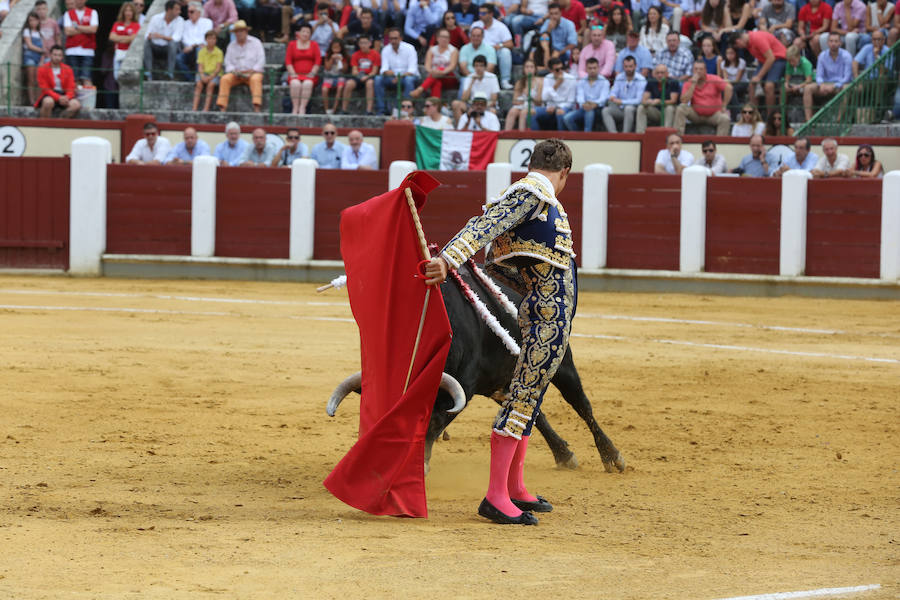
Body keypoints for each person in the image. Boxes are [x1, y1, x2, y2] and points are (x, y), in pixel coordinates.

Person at [423, 139, 576, 527]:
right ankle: (495, 497)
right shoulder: (533, 193)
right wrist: (448, 260)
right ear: (564, 173)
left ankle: (515, 487)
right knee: (521, 398)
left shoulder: (531, 201)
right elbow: (484, 226)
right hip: (546, 316)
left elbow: (500, 266)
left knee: (526, 394)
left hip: (542, 314)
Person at [733, 29, 786, 116]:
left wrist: (759, 76)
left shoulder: (757, 39)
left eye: (738, 46)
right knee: (751, 85)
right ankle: (753, 115)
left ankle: (770, 117)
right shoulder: (748, 43)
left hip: (778, 59)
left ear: (738, 41)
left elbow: (771, 58)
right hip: (765, 61)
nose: (740, 48)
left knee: (769, 86)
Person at [215, 20, 265, 112]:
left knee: (256, 79)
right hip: (236, 74)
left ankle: (257, 107)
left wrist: (252, 71)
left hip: (253, 73)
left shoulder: (256, 42)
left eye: (241, 31)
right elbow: (228, 62)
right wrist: (234, 71)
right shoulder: (231, 45)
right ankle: (222, 107)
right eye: (237, 31)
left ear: (246, 31)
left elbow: (261, 60)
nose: (239, 33)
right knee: (224, 79)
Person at [674, 59, 732, 136]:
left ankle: (719, 144)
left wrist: (724, 105)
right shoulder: (689, 82)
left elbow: (729, 88)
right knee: (681, 108)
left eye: (701, 69)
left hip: (714, 115)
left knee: (725, 119)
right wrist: (693, 84)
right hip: (696, 115)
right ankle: (678, 137)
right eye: (696, 69)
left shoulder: (713, 78)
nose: (698, 71)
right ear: (692, 70)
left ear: (705, 70)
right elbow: (684, 101)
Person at [803, 32, 852, 121]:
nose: (833, 44)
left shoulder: (847, 56)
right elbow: (819, 75)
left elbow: (847, 77)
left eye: (836, 41)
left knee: (846, 89)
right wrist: (821, 84)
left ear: (840, 43)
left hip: (840, 85)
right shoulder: (822, 55)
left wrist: (834, 86)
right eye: (831, 41)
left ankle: (839, 120)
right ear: (827, 43)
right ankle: (808, 120)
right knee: (808, 88)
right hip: (825, 84)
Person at [375, 28, 420, 115]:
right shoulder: (386, 50)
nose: (393, 41)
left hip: (408, 77)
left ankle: (405, 111)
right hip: (393, 78)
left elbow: (412, 70)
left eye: (395, 38)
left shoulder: (410, 48)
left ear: (400, 38)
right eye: (391, 38)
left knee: (409, 80)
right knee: (378, 79)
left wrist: (399, 76)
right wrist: (394, 75)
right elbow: (383, 70)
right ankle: (381, 110)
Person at [410, 27, 459, 99]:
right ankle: (435, 105)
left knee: (440, 69)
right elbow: (427, 66)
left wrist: (441, 71)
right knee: (437, 83)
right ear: (437, 38)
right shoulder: (431, 50)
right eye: (442, 37)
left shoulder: (453, 50)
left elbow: (452, 66)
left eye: (447, 37)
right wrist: (433, 72)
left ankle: (420, 89)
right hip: (434, 76)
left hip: (449, 77)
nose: (445, 39)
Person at [563, 56, 610, 131]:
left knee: (589, 112)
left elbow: (603, 99)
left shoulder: (604, 81)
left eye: (594, 68)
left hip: (599, 109)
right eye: (590, 68)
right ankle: (578, 137)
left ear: (598, 68)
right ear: (586, 69)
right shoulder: (582, 81)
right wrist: (584, 104)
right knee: (567, 118)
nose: (592, 70)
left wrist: (594, 104)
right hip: (584, 107)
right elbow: (579, 97)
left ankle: (587, 135)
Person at [602, 55, 646, 132]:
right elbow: (614, 92)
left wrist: (622, 102)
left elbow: (639, 100)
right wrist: (612, 96)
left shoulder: (641, 79)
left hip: (634, 110)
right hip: (620, 108)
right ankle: (613, 135)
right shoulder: (619, 77)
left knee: (628, 109)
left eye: (630, 66)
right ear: (623, 66)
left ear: (635, 66)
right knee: (606, 110)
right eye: (626, 66)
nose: (628, 69)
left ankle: (625, 135)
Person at [36, 45, 81, 118]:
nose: (57, 57)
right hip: (49, 94)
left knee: (76, 105)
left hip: (64, 94)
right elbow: (45, 88)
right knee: (48, 102)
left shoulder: (68, 69)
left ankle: (61, 121)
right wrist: (58, 97)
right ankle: (45, 124)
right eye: (55, 55)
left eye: (59, 55)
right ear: (50, 55)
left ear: (62, 56)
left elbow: (71, 87)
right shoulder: (42, 69)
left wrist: (67, 97)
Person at [144, 0, 184, 81]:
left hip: (168, 48)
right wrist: (152, 36)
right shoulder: (155, 18)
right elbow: (147, 35)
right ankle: (149, 72)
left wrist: (160, 36)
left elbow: (176, 38)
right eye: (177, 9)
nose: (179, 12)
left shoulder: (180, 20)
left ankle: (170, 72)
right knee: (146, 43)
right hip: (156, 46)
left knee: (173, 44)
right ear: (169, 9)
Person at [532, 57, 576, 130]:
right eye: (557, 70)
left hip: (565, 107)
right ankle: (535, 138)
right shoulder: (547, 78)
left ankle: (561, 138)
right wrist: (555, 86)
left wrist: (556, 107)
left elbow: (571, 101)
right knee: (531, 112)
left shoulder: (571, 79)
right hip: (550, 107)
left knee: (559, 112)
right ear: (551, 70)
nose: (561, 71)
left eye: (562, 68)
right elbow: (544, 98)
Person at [477, 3, 514, 89]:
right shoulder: (475, 25)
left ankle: (505, 81)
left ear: (491, 14)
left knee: (505, 52)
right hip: (479, 51)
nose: (480, 15)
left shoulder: (500, 26)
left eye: (483, 13)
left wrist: (499, 46)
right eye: (479, 13)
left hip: (495, 51)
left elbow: (510, 44)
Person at [63, 0, 98, 86]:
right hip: (72, 51)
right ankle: (74, 99)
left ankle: (87, 100)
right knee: (74, 80)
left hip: (88, 51)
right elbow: (67, 32)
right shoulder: (68, 13)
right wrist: (86, 29)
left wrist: (76, 27)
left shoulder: (93, 12)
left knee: (86, 79)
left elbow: (93, 29)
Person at [455, 54, 500, 120]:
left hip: (487, 105)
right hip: (472, 105)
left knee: (492, 111)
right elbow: (464, 99)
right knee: (456, 104)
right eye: (476, 66)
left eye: (481, 66)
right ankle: (461, 129)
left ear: (485, 67)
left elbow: (493, 99)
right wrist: (472, 82)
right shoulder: (469, 77)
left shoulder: (492, 77)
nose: (478, 68)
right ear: (473, 67)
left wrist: (481, 107)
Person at [636, 62, 678, 131]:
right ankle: (640, 134)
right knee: (641, 107)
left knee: (669, 108)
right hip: (656, 111)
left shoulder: (673, 82)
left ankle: (666, 134)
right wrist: (648, 102)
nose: (660, 75)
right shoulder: (651, 81)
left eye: (662, 73)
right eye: (657, 73)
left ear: (667, 74)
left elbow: (673, 101)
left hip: (668, 111)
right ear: (654, 74)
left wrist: (660, 101)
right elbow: (643, 100)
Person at [177, 1, 213, 80]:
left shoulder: (207, 22)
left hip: (202, 50)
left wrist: (193, 46)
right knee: (178, 58)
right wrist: (190, 46)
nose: (189, 14)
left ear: (199, 12)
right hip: (188, 50)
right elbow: (184, 38)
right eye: (188, 12)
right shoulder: (185, 23)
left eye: (192, 12)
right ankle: (192, 79)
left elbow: (206, 40)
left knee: (199, 50)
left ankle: (198, 78)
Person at [343, 35, 379, 114]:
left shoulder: (375, 54)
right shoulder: (355, 55)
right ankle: (344, 109)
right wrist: (360, 76)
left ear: (370, 43)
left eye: (365, 43)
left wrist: (366, 77)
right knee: (349, 83)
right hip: (359, 76)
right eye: (361, 43)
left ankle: (369, 110)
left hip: (370, 76)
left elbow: (374, 71)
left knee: (370, 83)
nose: (363, 45)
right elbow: (354, 71)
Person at [505, 58, 543, 131]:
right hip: (522, 105)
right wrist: (520, 101)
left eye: (531, 67)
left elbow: (539, 102)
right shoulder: (519, 82)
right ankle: (506, 133)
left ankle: (522, 136)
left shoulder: (540, 82)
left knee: (524, 112)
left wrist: (529, 95)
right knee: (512, 111)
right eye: (527, 67)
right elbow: (514, 101)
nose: (529, 69)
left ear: (535, 69)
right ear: (524, 69)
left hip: (534, 106)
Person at [193, 29, 224, 111]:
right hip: (203, 73)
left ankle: (206, 109)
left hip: (215, 74)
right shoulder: (201, 51)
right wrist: (202, 76)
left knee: (210, 85)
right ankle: (194, 108)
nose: (211, 41)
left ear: (216, 40)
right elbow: (200, 67)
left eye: (214, 39)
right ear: (206, 40)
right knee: (199, 84)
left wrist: (210, 77)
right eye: (209, 38)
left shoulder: (219, 52)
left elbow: (218, 69)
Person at [110, 2, 140, 81]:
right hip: (118, 52)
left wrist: (119, 38)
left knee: (128, 77)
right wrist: (126, 38)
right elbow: (112, 37)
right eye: (126, 10)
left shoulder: (136, 25)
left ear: (133, 12)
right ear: (123, 12)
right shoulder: (117, 24)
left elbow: (133, 38)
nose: (128, 13)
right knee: (116, 76)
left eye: (130, 11)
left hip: (129, 53)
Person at [23, 12, 45, 107]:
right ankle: (31, 101)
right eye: (31, 20)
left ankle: (38, 100)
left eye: (34, 20)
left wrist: (42, 59)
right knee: (31, 80)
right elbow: (29, 45)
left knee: (38, 81)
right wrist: (41, 50)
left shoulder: (41, 33)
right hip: (30, 57)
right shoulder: (27, 31)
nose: (33, 22)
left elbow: (44, 48)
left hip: (39, 58)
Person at [321, 39, 349, 114]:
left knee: (340, 88)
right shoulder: (328, 55)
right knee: (324, 89)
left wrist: (341, 61)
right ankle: (326, 109)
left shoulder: (345, 56)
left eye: (338, 48)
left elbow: (344, 70)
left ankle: (334, 109)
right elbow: (327, 68)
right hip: (329, 76)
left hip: (340, 76)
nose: (336, 50)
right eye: (334, 48)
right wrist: (332, 59)